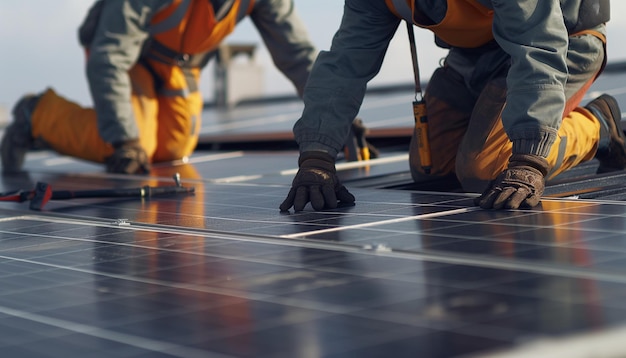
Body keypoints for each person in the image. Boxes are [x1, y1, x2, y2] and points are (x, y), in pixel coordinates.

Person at [279, 0, 624, 212]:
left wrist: (529, 158)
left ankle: (598, 126)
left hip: (564, 43)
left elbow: (539, 46)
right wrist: (317, 156)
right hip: (473, 57)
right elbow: (345, 65)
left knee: (485, 169)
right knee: (433, 168)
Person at [1, 0, 317, 175]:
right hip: (129, 58)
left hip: (179, 67)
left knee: (173, 150)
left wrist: (331, 118)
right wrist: (124, 139)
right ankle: (38, 113)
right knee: (132, 146)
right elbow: (108, 56)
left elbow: (299, 56)